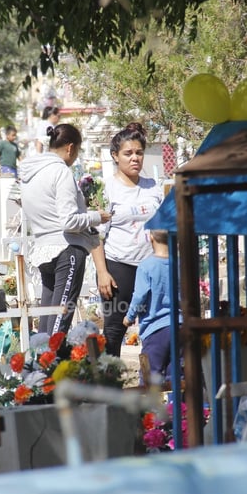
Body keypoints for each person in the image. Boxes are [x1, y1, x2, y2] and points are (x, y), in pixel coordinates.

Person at [20, 123, 112, 335]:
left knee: (47, 318)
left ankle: (39, 364)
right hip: (66, 249)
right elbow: (69, 221)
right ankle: (50, 364)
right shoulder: (60, 172)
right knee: (60, 319)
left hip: (43, 248)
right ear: (70, 148)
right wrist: (97, 217)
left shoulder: (30, 174)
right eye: (77, 151)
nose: (75, 157)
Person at [93, 122, 163, 357]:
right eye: (128, 153)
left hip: (150, 265)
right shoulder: (106, 188)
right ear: (115, 156)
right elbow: (96, 234)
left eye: (139, 153)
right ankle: (108, 388)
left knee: (156, 325)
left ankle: (155, 383)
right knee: (114, 329)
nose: (135, 158)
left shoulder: (153, 186)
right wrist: (102, 272)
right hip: (118, 265)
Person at [123, 229, 175, 381]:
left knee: (149, 377)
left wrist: (130, 316)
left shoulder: (146, 266)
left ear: (151, 237)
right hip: (180, 326)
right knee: (178, 378)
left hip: (155, 329)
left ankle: (147, 406)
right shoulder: (180, 264)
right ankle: (177, 405)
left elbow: (140, 296)